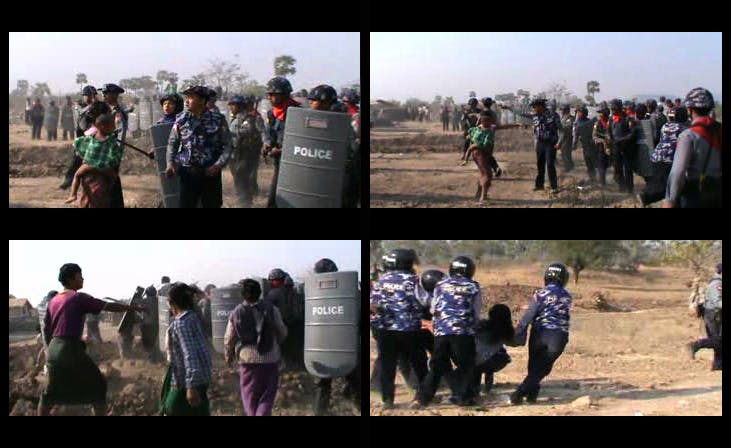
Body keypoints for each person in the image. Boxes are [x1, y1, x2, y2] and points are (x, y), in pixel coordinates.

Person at [38, 263, 145, 416]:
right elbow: (107, 306)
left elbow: (47, 329)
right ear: (70, 279)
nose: (82, 278)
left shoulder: (53, 301)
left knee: (50, 393)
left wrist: (51, 350)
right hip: (70, 347)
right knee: (98, 385)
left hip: (54, 349)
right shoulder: (78, 298)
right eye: (79, 275)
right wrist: (131, 308)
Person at [415, 256, 481, 408]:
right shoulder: (474, 286)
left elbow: (433, 309)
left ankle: (421, 399)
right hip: (463, 333)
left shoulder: (440, 285)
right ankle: (464, 397)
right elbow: (476, 312)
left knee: (437, 366)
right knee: (467, 365)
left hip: (441, 332)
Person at [370, 249, 428, 410]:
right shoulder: (412, 280)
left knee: (387, 365)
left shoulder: (381, 280)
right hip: (409, 330)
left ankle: (387, 400)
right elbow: (424, 301)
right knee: (418, 363)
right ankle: (421, 397)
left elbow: (373, 304)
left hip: (385, 331)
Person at [507, 263, 572, 405]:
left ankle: (523, 394)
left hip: (539, 333)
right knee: (543, 367)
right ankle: (527, 394)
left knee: (534, 365)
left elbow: (529, 316)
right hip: (558, 336)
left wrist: (518, 333)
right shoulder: (568, 296)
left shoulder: (540, 294)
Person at [225, 279, 287, 416]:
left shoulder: (236, 312)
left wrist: (228, 355)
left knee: (250, 396)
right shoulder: (272, 309)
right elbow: (282, 331)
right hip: (270, 358)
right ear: (260, 293)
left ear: (242, 294)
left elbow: (229, 338)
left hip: (247, 360)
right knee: (267, 395)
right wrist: (277, 344)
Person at [166, 85, 232, 208]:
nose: (186, 101)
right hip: (187, 174)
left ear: (202, 101)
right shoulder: (181, 120)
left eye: (190, 97)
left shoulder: (218, 120)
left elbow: (228, 145)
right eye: (186, 97)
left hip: (210, 175)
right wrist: (170, 163)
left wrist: (218, 165)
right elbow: (172, 143)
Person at [310, 258, 361, 415]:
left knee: (322, 384)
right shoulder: (351, 291)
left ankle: (320, 412)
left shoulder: (313, 294)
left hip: (320, 346)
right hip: (346, 343)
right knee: (353, 380)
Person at [160, 282, 213, 416]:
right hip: (201, 377)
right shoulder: (193, 318)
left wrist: (190, 385)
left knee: (171, 408)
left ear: (172, 302)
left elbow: (190, 354)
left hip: (185, 381)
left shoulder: (180, 324)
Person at [664, 88, 722, 208]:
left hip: (695, 194)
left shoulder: (688, 136)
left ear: (689, 110)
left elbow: (678, 173)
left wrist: (670, 200)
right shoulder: (719, 131)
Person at [64, 113, 122, 208]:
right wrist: (109, 164)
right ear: (103, 127)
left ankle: (73, 194)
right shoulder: (111, 141)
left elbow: (78, 144)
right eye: (112, 126)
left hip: (88, 166)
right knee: (113, 179)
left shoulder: (90, 138)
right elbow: (115, 156)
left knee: (77, 175)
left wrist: (86, 159)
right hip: (104, 168)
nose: (113, 128)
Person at [637, 107, 689, 207]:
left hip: (656, 158)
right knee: (671, 187)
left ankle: (646, 196)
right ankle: (646, 197)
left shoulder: (665, 126)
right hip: (669, 161)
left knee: (660, 185)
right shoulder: (684, 129)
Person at [262, 77, 301, 207]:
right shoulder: (272, 113)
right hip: (280, 162)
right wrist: (267, 144)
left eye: (273, 95)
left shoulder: (299, 113)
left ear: (284, 95)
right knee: (274, 198)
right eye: (269, 95)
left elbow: (303, 141)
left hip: (296, 163)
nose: (270, 98)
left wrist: (283, 150)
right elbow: (268, 133)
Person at [509, 98, 559, 193]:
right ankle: (539, 185)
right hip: (540, 143)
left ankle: (554, 186)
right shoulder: (535, 115)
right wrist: (509, 108)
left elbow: (560, 128)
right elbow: (521, 113)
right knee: (540, 164)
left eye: (534, 106)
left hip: (550, 143)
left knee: (550, 164)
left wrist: (559, 142)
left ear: (540, 106)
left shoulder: (552, 115)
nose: (533, 108)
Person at [228, 94, 264, 207]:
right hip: (234, 153)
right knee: (238, 178)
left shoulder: (247, 118)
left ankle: (245, 202)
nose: (231, 107)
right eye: (231, 104)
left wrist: (232, 134)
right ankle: (242, 199)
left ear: (240, 106)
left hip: (244, 153)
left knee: (243, 179)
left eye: (233, 105)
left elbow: (248, 130)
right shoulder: (235, 118)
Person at [471, 304, 514, 397]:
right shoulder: (506, 329)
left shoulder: (481, 325)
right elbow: (514, 342)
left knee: (477, 365)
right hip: (498, 361)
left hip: (478, 360)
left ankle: (475, 390)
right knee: (489, 365)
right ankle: (487, 389)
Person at [688, 263, 722, 371]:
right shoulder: (716, 284)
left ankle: (718, 366)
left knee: (719, 341)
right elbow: (717, 302)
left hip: (715, 314)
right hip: (713, 315)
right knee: (717, 340)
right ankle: (696, 345)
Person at [609, 99, 638, 193]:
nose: (612, 111)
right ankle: (622, 186)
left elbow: (632, 133)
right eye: (612, 109)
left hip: (627, 148)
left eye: (614, 109)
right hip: (616, 148)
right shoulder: (611, 119)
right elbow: (609, 132)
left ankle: (630, 189)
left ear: (620, 108)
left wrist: (622, 140)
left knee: (628, 169)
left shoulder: (628, 119)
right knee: (617, 169)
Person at [572, 105, 600, 183]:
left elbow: (596, 132)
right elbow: (576, 135)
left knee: (594, 162)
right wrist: (574, 144)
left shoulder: (590, 122)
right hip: (585, 145)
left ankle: (597, 177)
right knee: (588, 161)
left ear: (584, 113)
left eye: (580, 112)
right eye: (578, 112)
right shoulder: (578, 123)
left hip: (592, 145)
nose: (579, 114)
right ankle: (592, 177)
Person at [591, 106, 612, 186]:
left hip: (612, 146)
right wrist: (602, 141)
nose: (600, 114)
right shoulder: (597, 123)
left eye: (601, 113)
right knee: (601, 165)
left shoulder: (611, 122)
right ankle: (602, 182)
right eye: (599, 113)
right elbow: (594, 136)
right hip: (601, 147)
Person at [141, 285, 161, 362]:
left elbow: (134, 302)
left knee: (147, 342)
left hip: (146, 324)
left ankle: (151, 357)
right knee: (154, 341)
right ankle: (155, 356)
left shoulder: (144, 300)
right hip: (156, 324)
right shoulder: (158, 300)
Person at [459, 98, 481, 164]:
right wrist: (464, 128)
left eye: (474, 104)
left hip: (477, 129)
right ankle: (464, 154)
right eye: (471, 104)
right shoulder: (466, 112)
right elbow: (462, 120)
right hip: (469, 129)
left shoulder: (479, 111)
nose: (472, 106)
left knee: (478, 143)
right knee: (467, 142)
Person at [556, 104, 575, 171]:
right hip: (562, 138)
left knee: (565, 153)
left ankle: (569, 168)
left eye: (563, 110)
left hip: (567, 139)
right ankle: (570, 166)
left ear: (566, 110)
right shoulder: (563, 117)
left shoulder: (570, 118)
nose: (561, 111)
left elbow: (568, 127)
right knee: (564, 154)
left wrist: (560, 127)